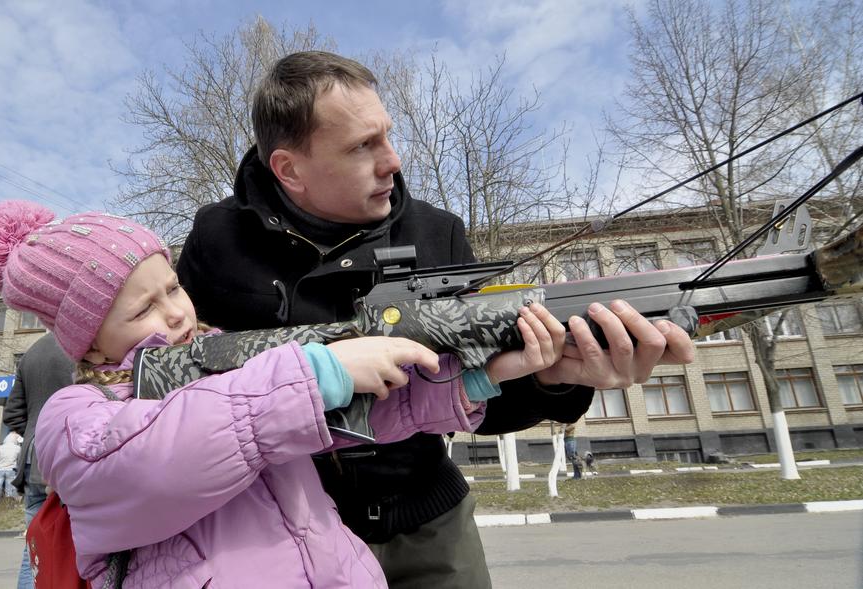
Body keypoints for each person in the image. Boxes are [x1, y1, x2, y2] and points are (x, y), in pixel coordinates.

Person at [176, 50, 696, 587]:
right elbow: (176, 389)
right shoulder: (217, 241)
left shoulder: (435, 233)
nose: (393, 161)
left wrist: (553, 378)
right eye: (363, 146)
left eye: (387, 135)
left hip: (427, 526)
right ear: (289, 168)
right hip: (277, 539)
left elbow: (478, 398)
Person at [0, 200, 566, 587]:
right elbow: (161, 461)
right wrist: (317, 374)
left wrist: (481, 375)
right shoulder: (75, 415)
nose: (174, 313)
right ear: (87, 336)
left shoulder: (226, 362)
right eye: (144, 306)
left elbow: (354, 416)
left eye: (173, 288)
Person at [3, 331, 75, 589]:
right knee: (78, 545)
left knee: (34, 548)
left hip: (34, 460)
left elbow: (12, 414)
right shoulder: (80, 345)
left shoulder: (31, 353)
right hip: (70, 456)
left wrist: (35, 434)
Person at [0, 431, 21, 509]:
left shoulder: (0, 447)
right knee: (9, 492)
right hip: (11, 470)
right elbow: (20, 461)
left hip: (0, 470)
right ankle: (8, 509)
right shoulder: (18, 448)